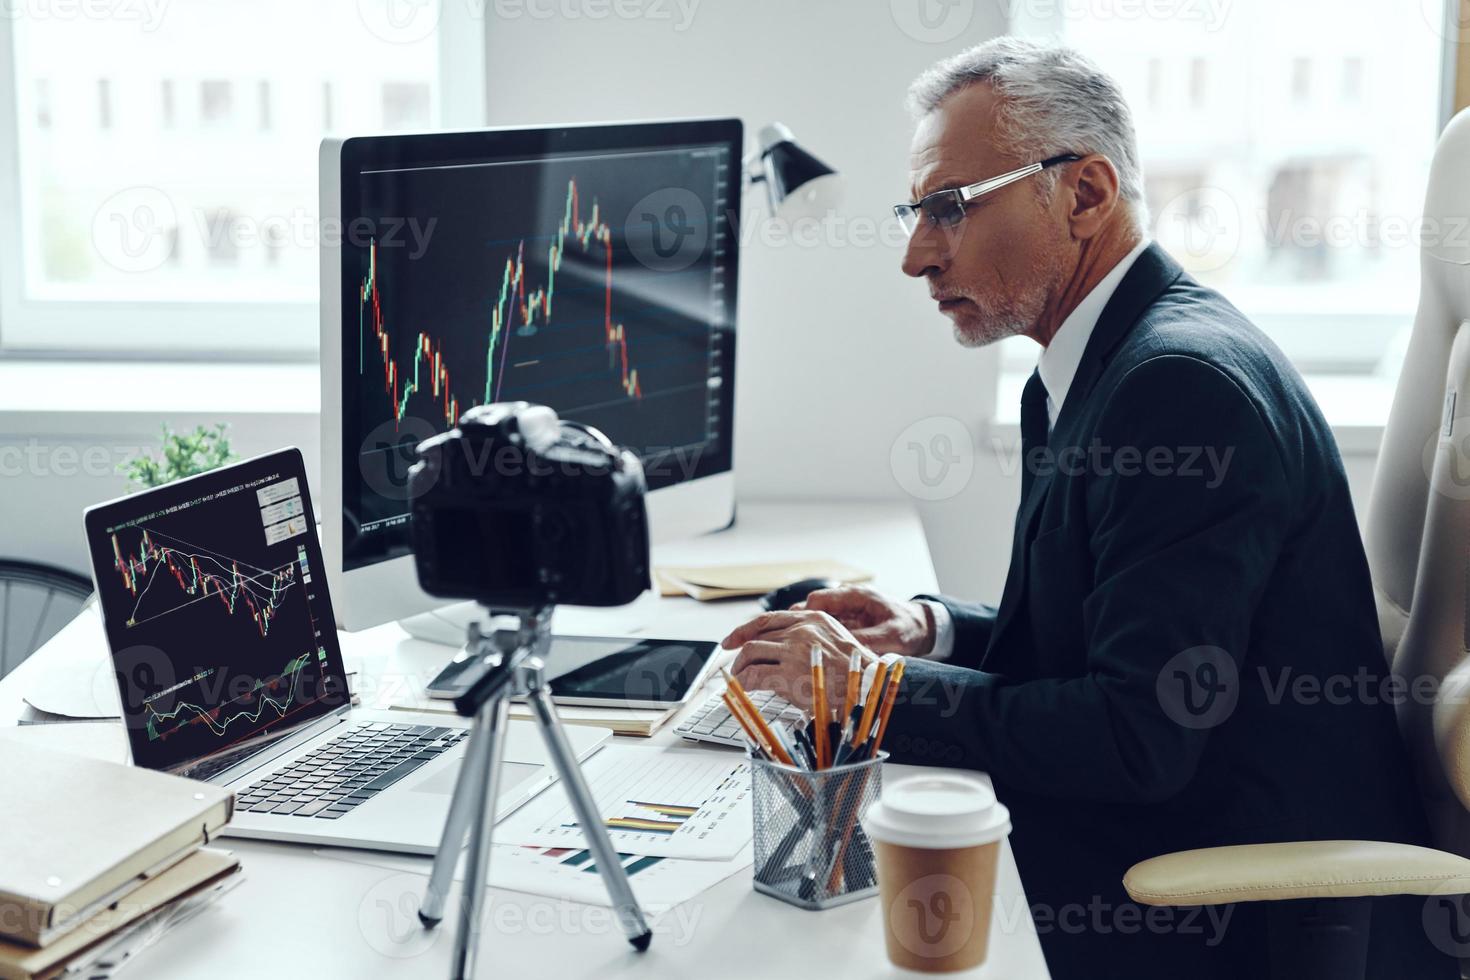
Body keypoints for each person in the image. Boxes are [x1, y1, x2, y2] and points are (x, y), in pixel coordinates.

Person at [721, 37, 1453, 978]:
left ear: (1086, 193)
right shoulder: (1088, 368)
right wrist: (929, 632)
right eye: (916, 212)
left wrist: (865, 694)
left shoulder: (1183, 387)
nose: (914, 255)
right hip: (1174, 830)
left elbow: (1133, 735)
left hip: (1222, 899)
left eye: (947, 208)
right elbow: (1094, 651)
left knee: (815, 932)